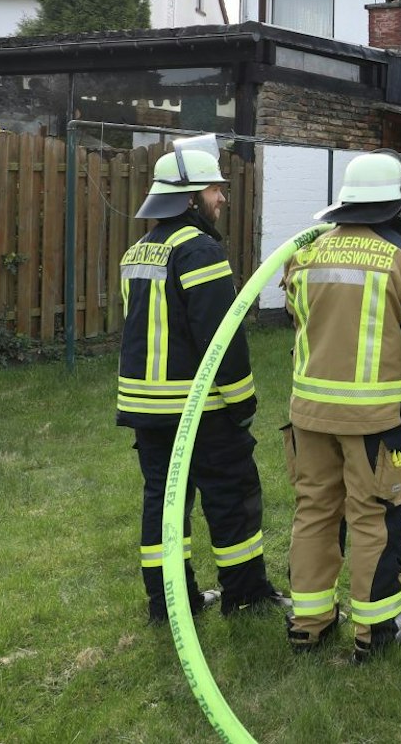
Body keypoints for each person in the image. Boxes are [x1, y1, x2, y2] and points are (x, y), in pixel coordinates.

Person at [282, 150, 401, 662]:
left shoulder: (305, 254)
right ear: (397, 201)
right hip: (374, 422)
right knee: (373, 517)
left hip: (308, 415)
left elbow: (300, 322)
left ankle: (308, 624)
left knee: (313, 511)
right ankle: (377, 632)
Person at [117, 141, 285, 622]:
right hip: (201, 410)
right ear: (190, 198)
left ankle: (169, 604)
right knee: (231, 499)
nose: (222, 199)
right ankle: (245, 596)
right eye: (215, 188)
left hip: (147, 410)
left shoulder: (139, 250)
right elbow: (222, 340)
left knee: (164, 508)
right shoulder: (200, 249)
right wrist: (242, 403)